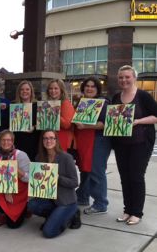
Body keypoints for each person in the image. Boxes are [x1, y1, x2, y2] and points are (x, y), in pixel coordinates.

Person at [111, 65, 157, 225]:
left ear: (134, 78)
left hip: (140, 143)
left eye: (127, 77)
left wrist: (137, 121)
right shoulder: (116, 97)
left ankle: (137, 212)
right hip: (121, 144)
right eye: (121, 77)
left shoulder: (143, 96)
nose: (124, 80)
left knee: (136, 177)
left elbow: (155, 116)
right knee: (124, 177)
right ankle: (127, 210)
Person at [28, 130, 80, 238]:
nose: (48, 141)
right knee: (32, 205)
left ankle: (71, 215)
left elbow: (75, 182)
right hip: (50, 199)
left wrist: (58, 178)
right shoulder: (39, 158)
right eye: (45, 138)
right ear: (42, 141)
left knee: (48, 232)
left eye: (52, 138)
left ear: (56, 140)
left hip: (66, 201)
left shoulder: (66, 158)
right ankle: (54, 217)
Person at [74, 77, 111, 214]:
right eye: (87, 86)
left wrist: (85, 126)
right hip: (84, 141)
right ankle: (83, 197)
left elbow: (104, 124)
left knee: (96, 171)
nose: (89, 88)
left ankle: (101, 203)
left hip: (98, 141)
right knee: (85, 170)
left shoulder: (103, 103)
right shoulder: (82, 103)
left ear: (97, 89)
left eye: (93, 86)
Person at [0, 130, 29, 229]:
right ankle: (5, 212)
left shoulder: (21, 155)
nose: (6, 142)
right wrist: (6, 190)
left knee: (13, 225)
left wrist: (15, 168)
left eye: (8, 140)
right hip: (3, 191)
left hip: (20, 192)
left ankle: (25, 209)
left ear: (13, 141)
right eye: (3, 140)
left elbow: (28, 179)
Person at [12, 80, 40, 161]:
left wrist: (34, 127)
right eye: (22, 89)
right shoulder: (13, 106)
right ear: (19, 92)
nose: (25, 91)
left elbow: (43, 125)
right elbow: (7, 125)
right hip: (18, 142)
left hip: (34, 142)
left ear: (31, 91)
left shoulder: (38, 106)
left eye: (27, 89)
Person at [46, 79, 75, 151]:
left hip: (62, 140)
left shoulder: (66, 103)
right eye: (51, 88)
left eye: (56, 88)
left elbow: (67, 124)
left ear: (61, 90)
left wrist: (53, 112)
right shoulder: (47, 104)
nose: (53, 91)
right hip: (50, 140)